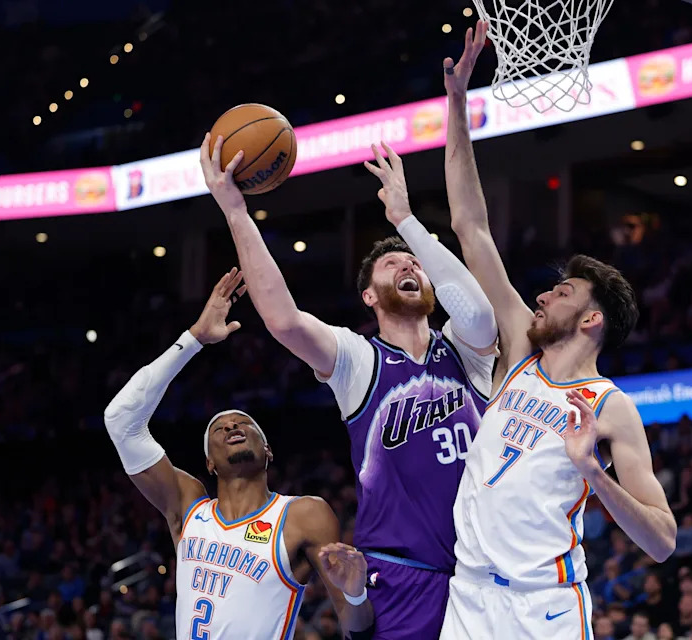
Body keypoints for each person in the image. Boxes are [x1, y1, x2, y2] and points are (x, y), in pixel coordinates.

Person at [200, 118, 497, 639]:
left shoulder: (466, 349)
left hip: (486, 572)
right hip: (404, 578)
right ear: (368, 296)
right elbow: (284, 320)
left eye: (416, 264)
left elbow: (479, 314)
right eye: (393, 265)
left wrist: (407, 222)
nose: (409, 267)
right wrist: (235, 211)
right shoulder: (360, 361)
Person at [439, 21, 676, 639]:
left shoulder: (610, 407)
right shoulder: (521, 345)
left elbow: (662, 541)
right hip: (467, 597)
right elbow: (470, 226)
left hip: (543, 607)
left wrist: (594, 473)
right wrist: (457, 103)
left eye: (563, 292)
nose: (543, 296)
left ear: (592, 319)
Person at [103, 271, 374, 640]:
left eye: (245, 423)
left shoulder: (303, 515)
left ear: (268, 450)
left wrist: (356, 595)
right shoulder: (188, 507)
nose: (232, 425)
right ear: (209, 463)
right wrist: (194, 339)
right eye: (219, 428)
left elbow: (355, 626)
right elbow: (120, 419)